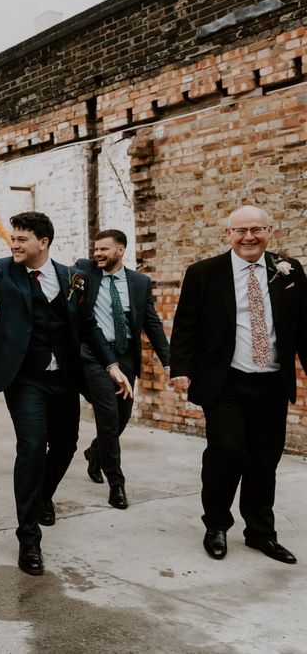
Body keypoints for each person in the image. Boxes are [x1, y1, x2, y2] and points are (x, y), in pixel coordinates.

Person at [0, 211, 132, 576]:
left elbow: (90, 326)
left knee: (65, 445)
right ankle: (28, 538)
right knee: (32, 447)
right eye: (12, 238)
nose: (14, 244)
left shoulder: (73, 277)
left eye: (21, 239)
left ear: (42, 242)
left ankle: (42, 495)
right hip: (25, 378)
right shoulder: (4, 269)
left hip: (64, 378)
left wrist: (111, 365)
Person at [170, 205, 306, 564]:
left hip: (272, 382)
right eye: (241, 230)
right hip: (226, 381)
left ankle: (261, 533)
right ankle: (216, 525)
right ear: (227, 234)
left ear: (269, 231)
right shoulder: (204, 273)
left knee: (265, 459)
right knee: (227, 452)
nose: (249, 237)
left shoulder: (289, 270)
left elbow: (303, 326)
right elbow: (186, 325)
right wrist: (181, 368)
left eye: (256, 230)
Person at [75, 230, 170, 509]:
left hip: (125, 355)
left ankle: (95, 453)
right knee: (107, 415)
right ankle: (117, 483)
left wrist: (169, 362)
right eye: (96, 249)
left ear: (121, 250)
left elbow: (152, 324)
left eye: (105, 249)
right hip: (93, 355)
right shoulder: (85, 270)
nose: (98, 254)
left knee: (121, 417)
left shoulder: (139, 282)